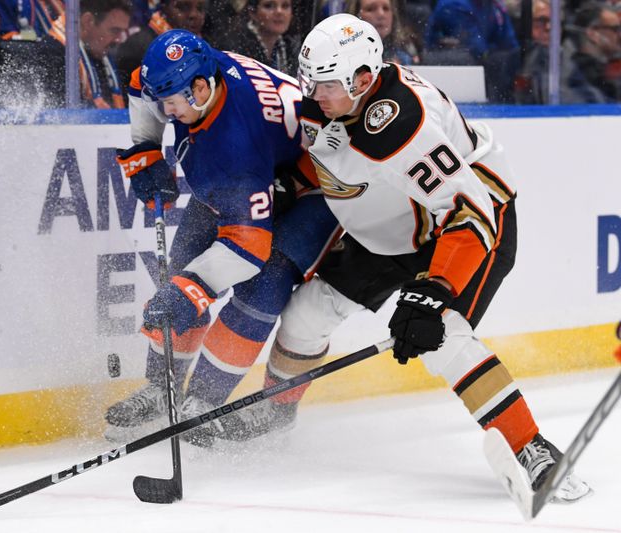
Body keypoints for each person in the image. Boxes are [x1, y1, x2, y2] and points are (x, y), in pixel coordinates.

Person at [218, 14, 592, 501]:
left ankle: (532, 448)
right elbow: (333, 155)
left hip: (467, 224)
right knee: (306, 316)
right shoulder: (330, 101)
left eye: (325, 84)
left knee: (443, 337)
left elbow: (468, 212)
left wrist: (433, 290)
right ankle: (274, 415)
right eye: (310, 81)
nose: (313, 94)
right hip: (392, 225)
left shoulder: (404, 126)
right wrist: (293, 183)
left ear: (365, 79)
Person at [104, 29, 340, 447]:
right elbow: (143, 86)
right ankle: (164, 390)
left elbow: (248, 247)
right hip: (258, 169)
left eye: (173, 105)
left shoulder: (234, 147)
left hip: (317, 186)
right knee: (182, 269)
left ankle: (203, 402)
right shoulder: (194, 68)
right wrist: (145, 149)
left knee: (263, 286)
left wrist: (192, 289)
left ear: (200, 89)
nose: (167, 113)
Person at [38, 0, 132, 108]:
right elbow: (60, 114)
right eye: (115, 30)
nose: (119, 39)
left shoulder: (100, 50)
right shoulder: (51, 54)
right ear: (88, 22)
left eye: (122, 31)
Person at [424, 0, 520, 101]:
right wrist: (491, 54)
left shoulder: (494, 5)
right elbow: (473, 44)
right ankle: (495, 101)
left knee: (512, 57)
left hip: (480, 54)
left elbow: (509, 43)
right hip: (446, 60)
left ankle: (508, 101)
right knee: (486, 61)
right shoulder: (454, 4)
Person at [115, 0, 208, 91]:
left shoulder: (205, 47)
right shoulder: (138, 47)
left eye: (200, 8)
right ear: (164, 8)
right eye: (182, 7)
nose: (194, 15)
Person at [217, 0, 301, 75]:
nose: (279, 11)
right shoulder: (235, 46)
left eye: (285, 6)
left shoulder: (291, 46)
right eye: (269, 6)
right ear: (252, 12)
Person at [560, 2, 621, 103]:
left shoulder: (602, 72)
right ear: (592, 33)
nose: (620, 36)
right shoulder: (577, 75)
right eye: (615, 29)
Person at [347, 0, 419, 64]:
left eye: (386, 8)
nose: (381, 14)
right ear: (355, 15)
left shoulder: (409, 51)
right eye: (370, 9)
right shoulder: (344, 56)